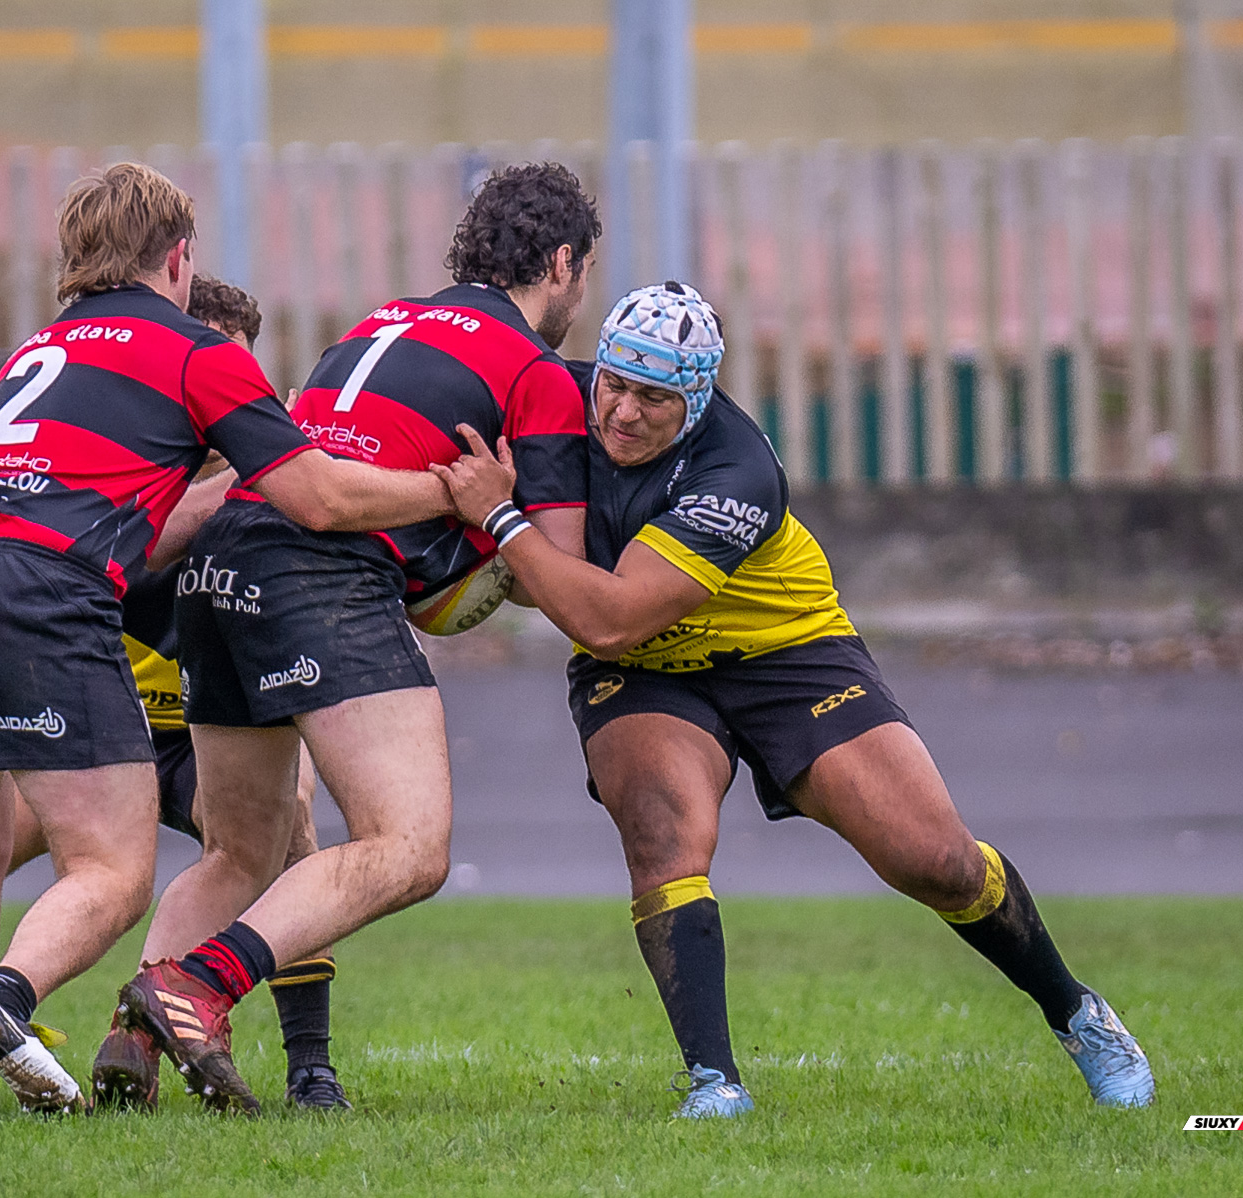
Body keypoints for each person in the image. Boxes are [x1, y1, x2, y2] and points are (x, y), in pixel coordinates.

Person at [430, 281, 1156, 1118]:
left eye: (653, 399)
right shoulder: (561, 403)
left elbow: (611, 618)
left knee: (935, 861)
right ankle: (714, 1083)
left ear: (697, 399)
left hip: (784, 651)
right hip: (649, 670)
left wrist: (501, 518)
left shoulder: (737, 471)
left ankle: (1077, 1011)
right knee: (664, 833)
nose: (622, 414)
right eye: (614, 385)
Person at [0, 164, 451, 1114]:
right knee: (111, 871)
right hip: (37, 594)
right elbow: (316, 493)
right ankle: (7, 997)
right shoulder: (194, 351)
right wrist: (450, 492)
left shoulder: (35, 353)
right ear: (178, 256)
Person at [104, 162, 600, 1115]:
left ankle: (131, 1042)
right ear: (566, 262)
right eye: (582, 277)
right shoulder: (534, 371)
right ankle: (194, 987)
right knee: (411, 846)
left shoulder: (376, 324)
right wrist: (494, 529)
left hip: (220, 562)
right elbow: (552, 563)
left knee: (238, 848)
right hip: (319, 576)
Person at [0, 278, 347, 1113]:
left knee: (290, 818)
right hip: (87, 727)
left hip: (194, 741)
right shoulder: (115, 478)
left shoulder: (262, 484)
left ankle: (309, 1069)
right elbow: (142, 543)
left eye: (239, 376)